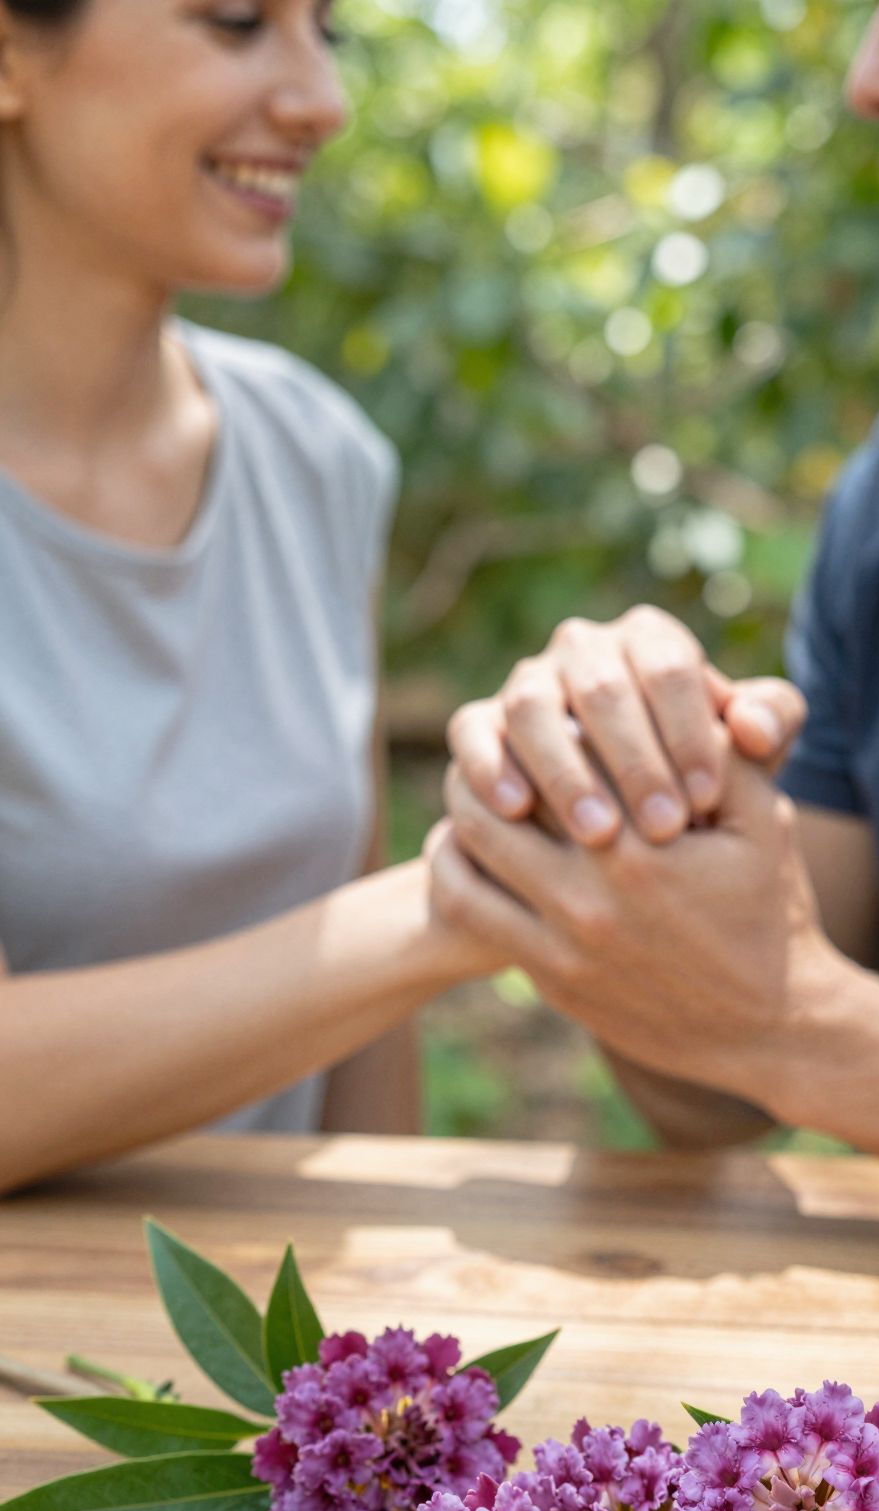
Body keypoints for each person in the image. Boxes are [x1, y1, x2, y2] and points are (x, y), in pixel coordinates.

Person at [438, 0, 879, 1273]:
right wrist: (620, 810)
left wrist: (802, 1026)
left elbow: (778, 1023)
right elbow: (710, 1089)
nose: (877, 77)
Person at [0, 0, 502, 1197]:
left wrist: (396, 1353)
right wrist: (448, 913)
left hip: (265, 1357)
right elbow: (376, 941)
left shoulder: (316, 454)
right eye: (235, 23)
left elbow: (365, 1036)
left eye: (327, 29)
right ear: (13, 53)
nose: (320, 98)